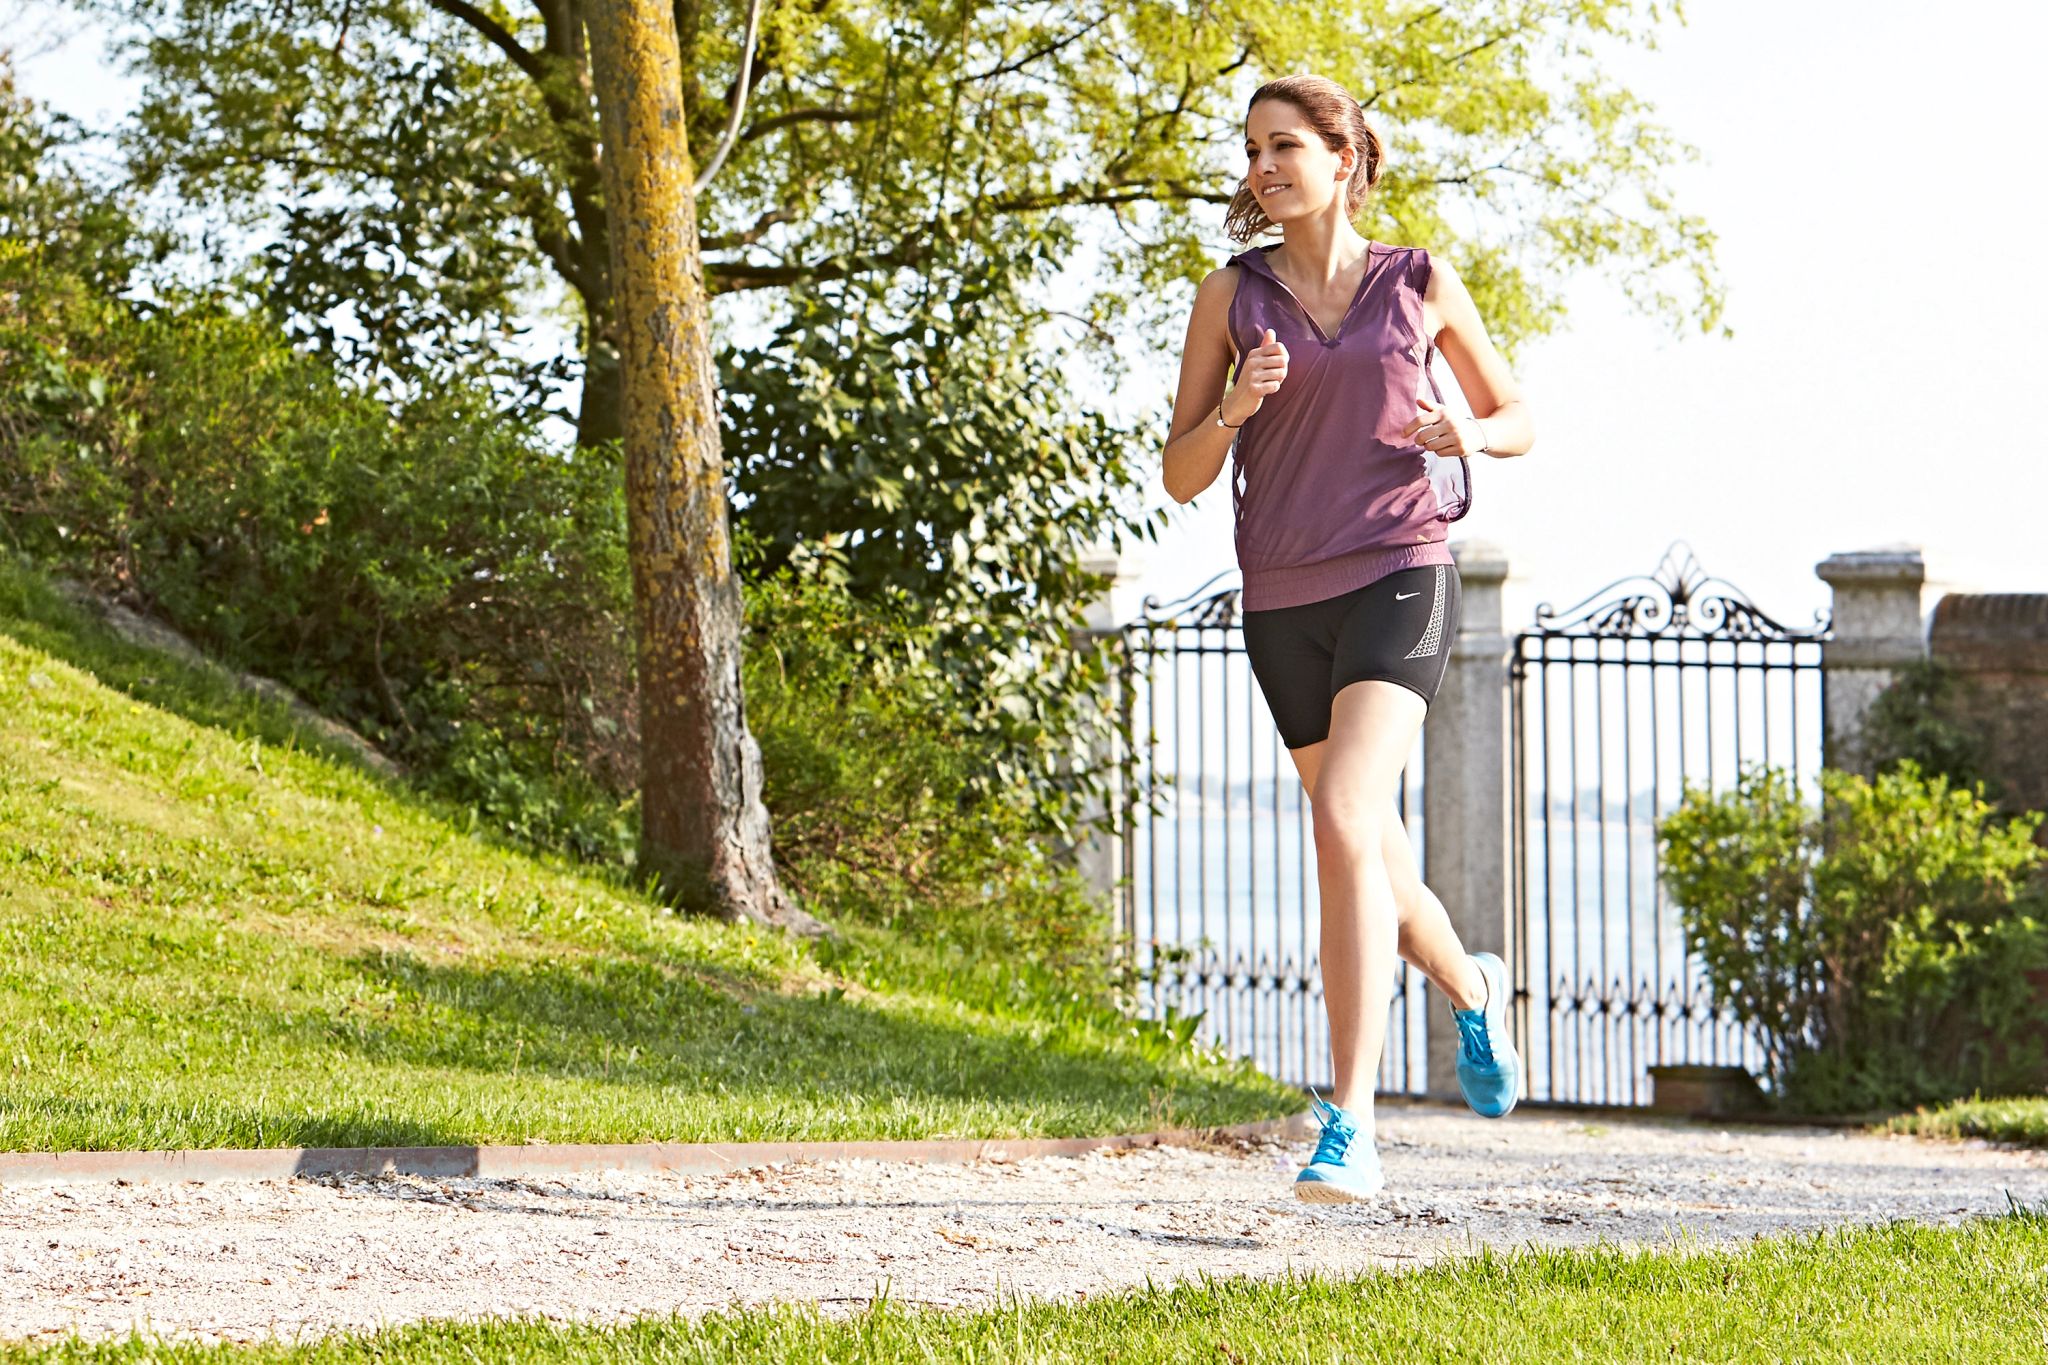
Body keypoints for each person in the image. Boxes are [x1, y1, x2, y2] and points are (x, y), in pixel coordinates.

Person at [1161, 74, 1535, 1203]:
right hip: (1281, 596)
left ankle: (1351, 1121)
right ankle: (1472, 988)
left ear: (1341, 156)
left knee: (1340, 816)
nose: (1265, 167)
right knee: (1367, 845)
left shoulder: (1413, 279)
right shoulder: (1229, 298)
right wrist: (1233, 404)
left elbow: (1519, 418)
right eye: (1252, 151)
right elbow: (1179, 473)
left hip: (1399, 569)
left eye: (1285, 147)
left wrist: (1463, 429)